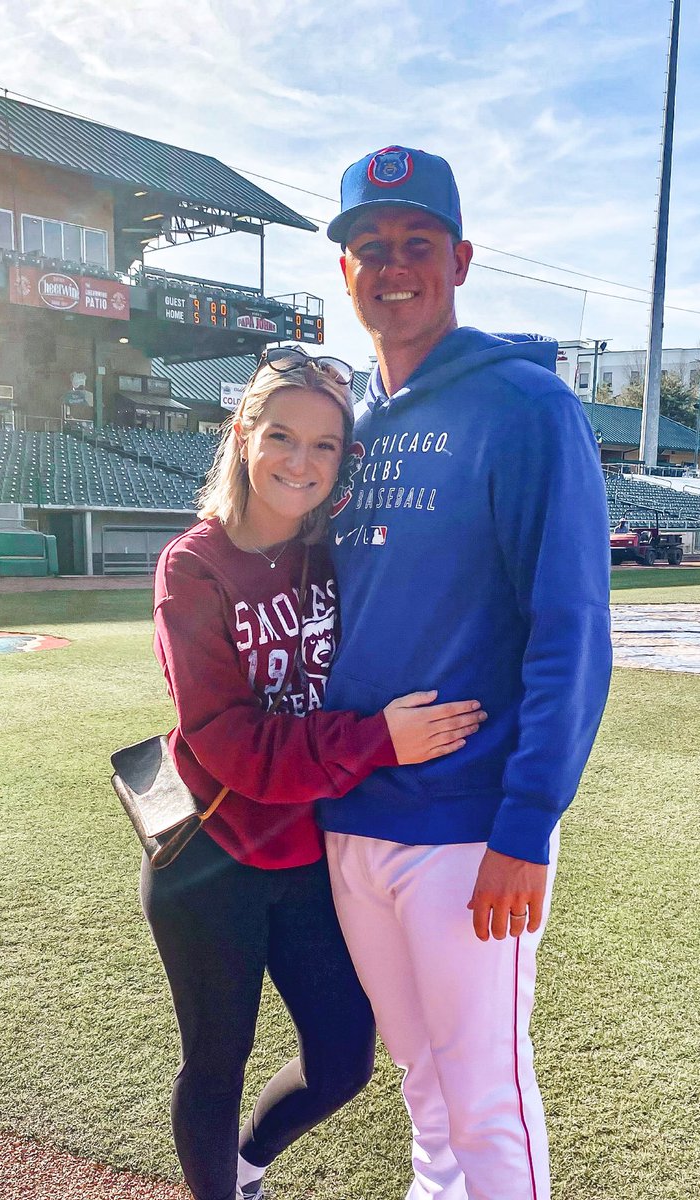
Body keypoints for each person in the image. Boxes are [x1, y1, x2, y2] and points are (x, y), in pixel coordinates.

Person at [320, 146, 614, 1200]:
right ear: (344, 272)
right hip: (353, 814)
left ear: (461, 258)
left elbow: (571, 628)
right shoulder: (343, 425)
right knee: (425, 1084)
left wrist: (527, 825)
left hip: (465, 826)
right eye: (368, 249)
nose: (393, 267)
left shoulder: (526, 406)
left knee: (486, 1097)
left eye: (417, 245)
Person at [143, 347, 487, 1200]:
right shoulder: (193, 567)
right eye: (283, 437)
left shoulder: (333, 555)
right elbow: (229, 744)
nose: (301, 462)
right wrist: (376, 742)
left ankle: (248, 1169)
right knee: (215, 1066)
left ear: (345, 459)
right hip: (209, 859)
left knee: (342, 1061)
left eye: (325, 446)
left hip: (308, 858)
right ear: (243, 436)